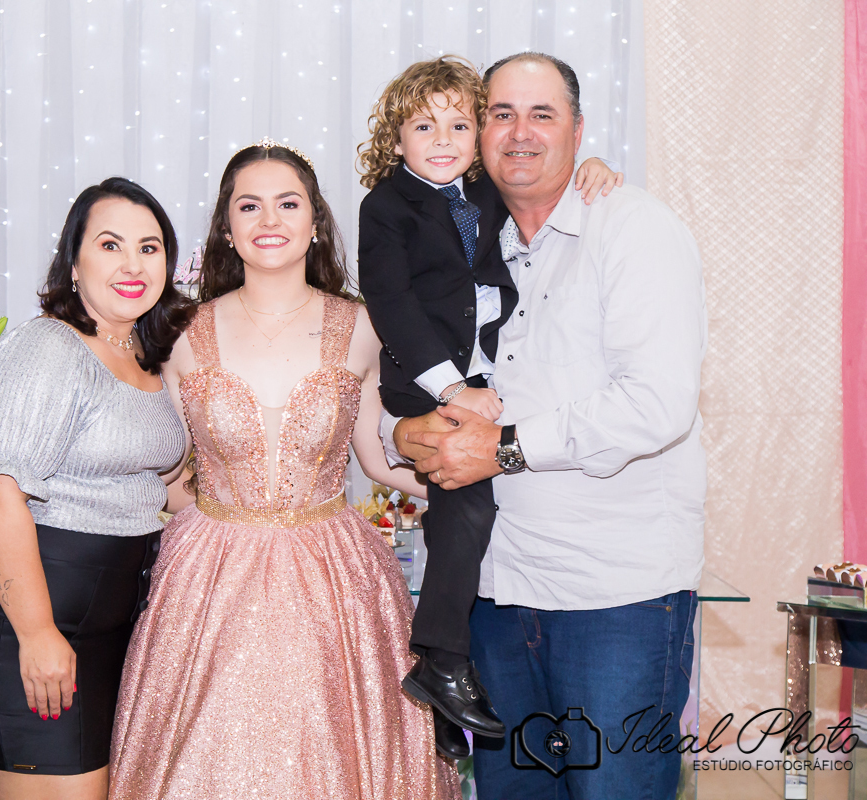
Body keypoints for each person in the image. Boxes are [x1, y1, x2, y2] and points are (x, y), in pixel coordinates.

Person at [389, 53, 707, 800]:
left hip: (614, 601)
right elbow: (410, 358)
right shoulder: (469, 240)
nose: (520, 133)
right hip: (497, 597)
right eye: (501, 114)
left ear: (579, 130)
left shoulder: (632, 229)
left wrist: (501, 449)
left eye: (542, 115)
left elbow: (656, 404)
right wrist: (402, 433)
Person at [107, 138, 459, 800]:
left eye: (288, 203)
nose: (269, 220)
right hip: (207, 578)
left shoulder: (365, 326)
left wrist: (478, 483)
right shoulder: (178, 331)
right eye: (249, 206)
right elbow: (167, 472)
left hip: (336, 576)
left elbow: (379, 458)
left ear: (315, 219)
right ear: (227, 227)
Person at [356, 55, 621, 756]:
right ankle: (441, 660)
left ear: (477, 136)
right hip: (428, 379)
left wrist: (591, 168)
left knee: (464, 523)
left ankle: (446, 677)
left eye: (458, 125)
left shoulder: (484, 191)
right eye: (423, 126)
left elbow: (547, 187)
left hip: (483, 376)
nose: (442, 139)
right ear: (395, 138)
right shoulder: (386, 206)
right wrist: (451, 389)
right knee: (468, 510)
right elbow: (392, 306)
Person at [0, 177, 193, 800]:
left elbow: (156, 489)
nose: (132, 265)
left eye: (149, 247)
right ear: (74, 263)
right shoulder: (49, 346)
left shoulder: (147, 354)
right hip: (30, 631)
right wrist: (37, 634)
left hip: (111, 631)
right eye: (110, 245)